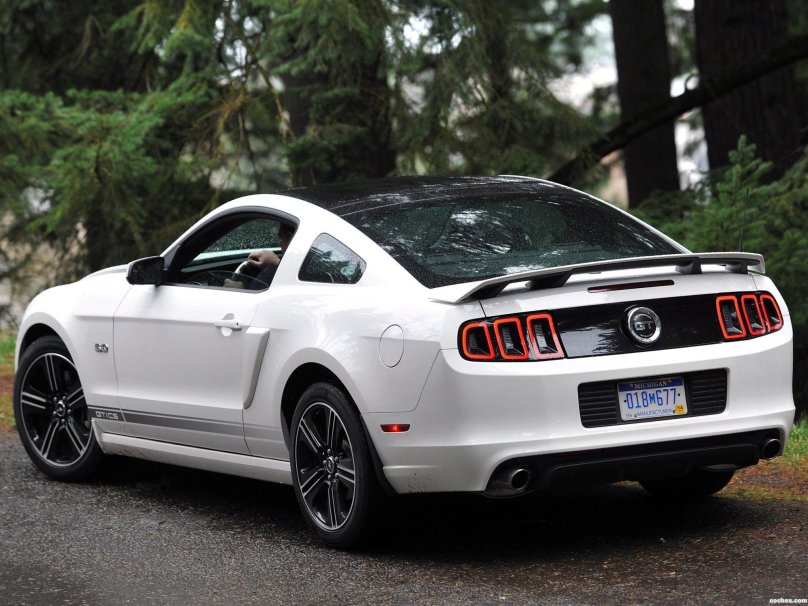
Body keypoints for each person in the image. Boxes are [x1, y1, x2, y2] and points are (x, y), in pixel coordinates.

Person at [224, 222, 295, 289]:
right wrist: (276, 262)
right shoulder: (300, 268)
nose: (280, 244)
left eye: (281, 238)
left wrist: (240, 289)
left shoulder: (273, 272)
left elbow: (258, 297)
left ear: (289, 237)